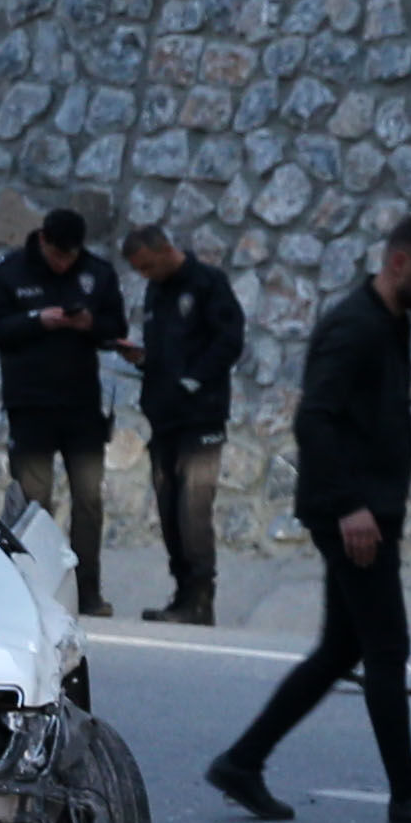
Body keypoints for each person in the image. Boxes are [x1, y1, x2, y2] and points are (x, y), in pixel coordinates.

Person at [203, 213, 411, 823]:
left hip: (366, 511)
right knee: (386, 648)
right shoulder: (354, 327)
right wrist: (351, 505)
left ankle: (242, 762)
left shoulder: (390, 322)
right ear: (398, 262)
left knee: (341, 647)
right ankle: (407, 794)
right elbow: (314, 420)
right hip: (354, 516)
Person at [0, 204, 132, 615]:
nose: (64, 264)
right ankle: (36, 592)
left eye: (71, 256)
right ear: (42, 240)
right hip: (30, 405)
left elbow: (116, 329)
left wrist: (88, 325)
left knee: (88, 500)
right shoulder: (8, 272)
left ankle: (88, 592)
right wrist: (37, 321)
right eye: (58, 255)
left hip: (83, 407)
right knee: (34, 502)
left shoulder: (96, 273)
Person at [121, 222, 243, 625]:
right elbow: (166, 351)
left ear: (165, 249)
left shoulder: (208, 284)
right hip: (165, 416)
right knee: (170, 507)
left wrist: (193, 381)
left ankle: (201, 597)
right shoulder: (157, 291)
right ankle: (182, 594)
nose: (144, 276)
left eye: (147, 266)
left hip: (201, 416)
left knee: (194, 507)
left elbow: (229, 340)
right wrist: (143, 360)